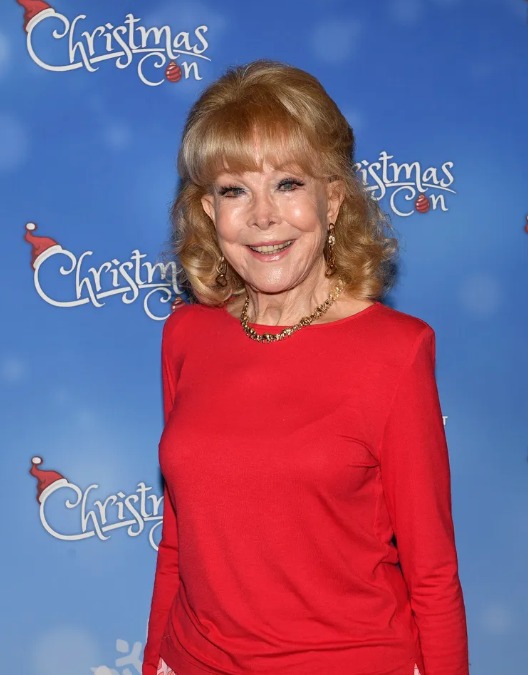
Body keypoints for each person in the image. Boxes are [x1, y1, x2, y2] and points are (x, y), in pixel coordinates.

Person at [142, 60, 469, 675]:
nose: (262, 216)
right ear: (208, 211)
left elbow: (432, 573)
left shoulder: (397, 352)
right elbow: (178, 545)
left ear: (334, 199)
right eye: (234, 190)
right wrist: (154, 659)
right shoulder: (186, 334)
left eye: (288, 184)